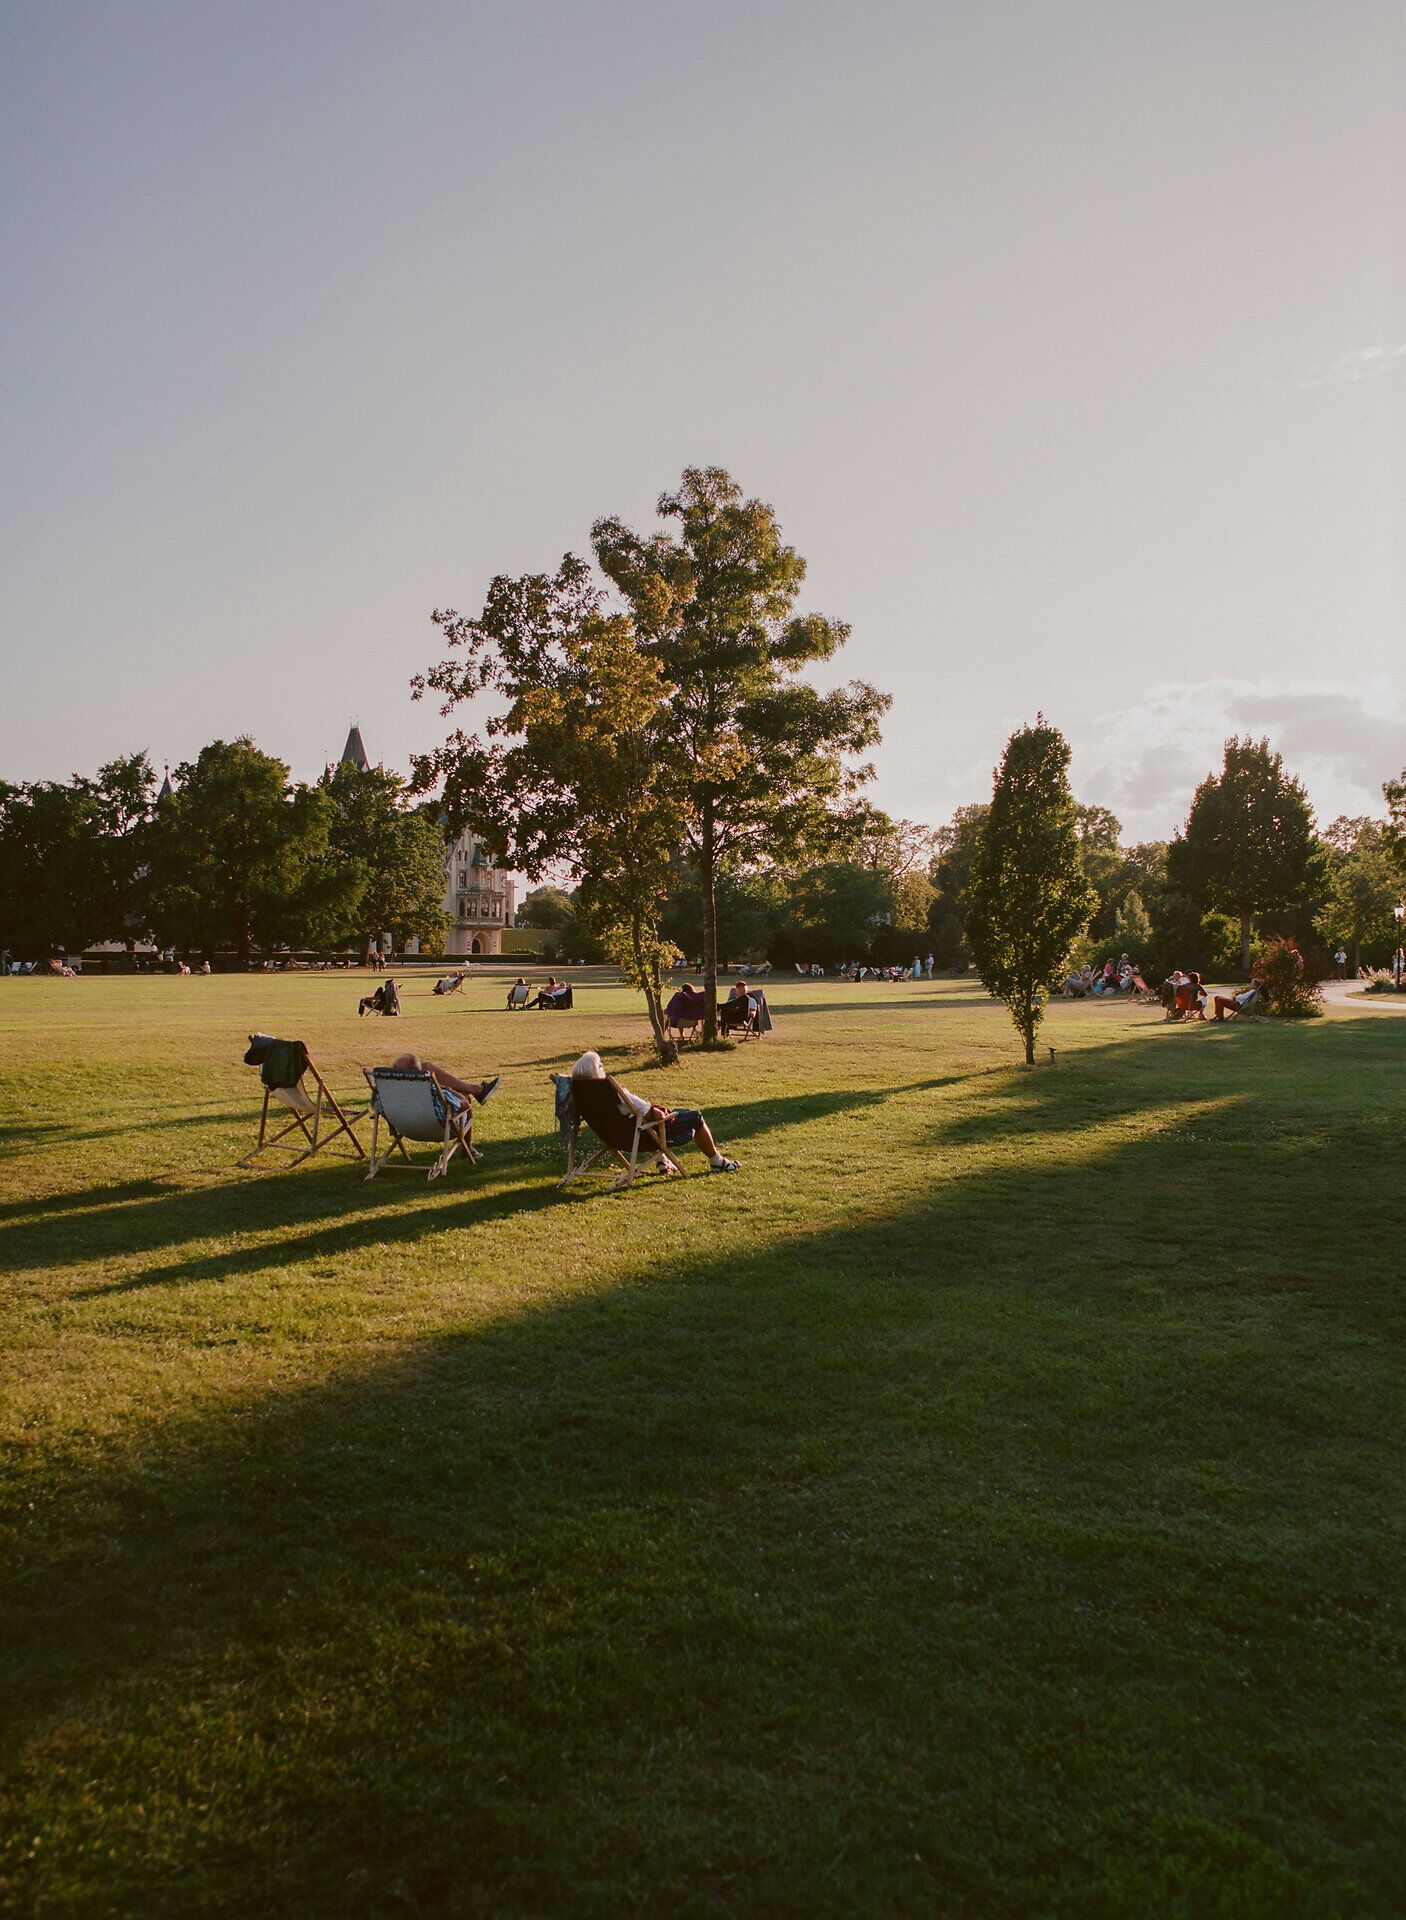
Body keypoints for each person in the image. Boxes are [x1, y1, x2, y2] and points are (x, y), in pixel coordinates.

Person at [570, 1050, 739, 1172]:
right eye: (601, 1066)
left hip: (611, 1137)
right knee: (694, 1117)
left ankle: (662, 1160)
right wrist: (662, 1113)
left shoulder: (582, 1094)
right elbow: (655, 1115)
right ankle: (717, 1162)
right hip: (636, 1138)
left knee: (643, 1121)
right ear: (596, 1071)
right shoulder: (612, 1092)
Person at [388, 1055, 501, 1105]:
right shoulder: (432, 1089)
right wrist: (450, 1090)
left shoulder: (387, 1092)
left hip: (402, 1125)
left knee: (427, 1065)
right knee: (465, 1096)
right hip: (433, 1124)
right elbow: (464, 1104)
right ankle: (468, 1148)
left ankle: (477, 1090)